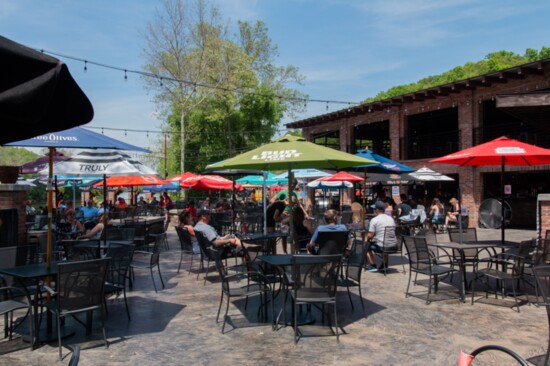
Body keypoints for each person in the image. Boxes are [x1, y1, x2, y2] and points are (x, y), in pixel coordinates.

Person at [366, 201, 396, 272]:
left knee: (366, 246)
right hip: (394, 245)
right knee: (385, 241)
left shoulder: (374, 220)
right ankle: (384, 264)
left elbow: (370, 235)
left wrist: (367, 239)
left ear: (377, 210)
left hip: (383, 247)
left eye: (374, 209)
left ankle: (373, 265)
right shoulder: (391, 219)